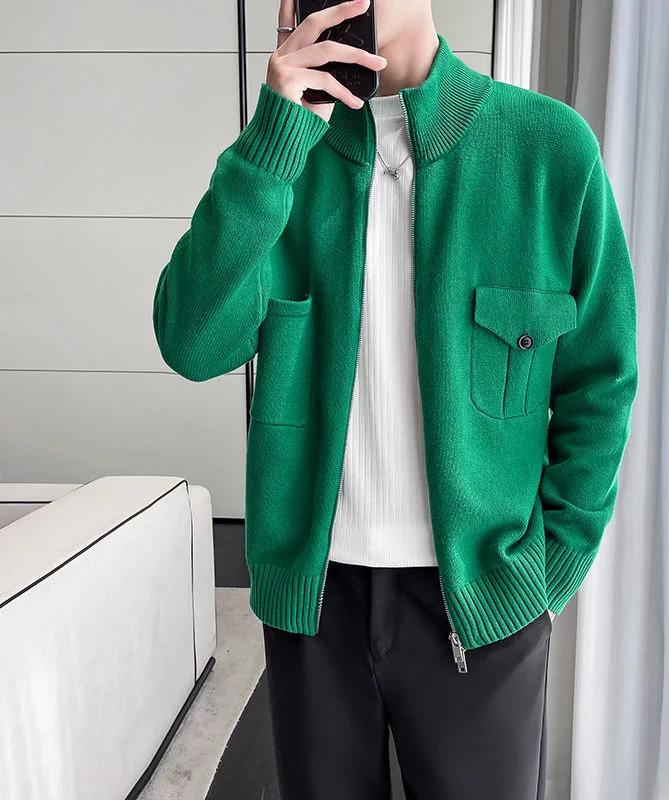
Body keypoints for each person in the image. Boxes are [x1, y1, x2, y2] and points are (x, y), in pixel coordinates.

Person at [152, 0, 639, 796]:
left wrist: (548, 571)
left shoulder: (547, 149)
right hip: (315, 605)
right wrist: (272, 142)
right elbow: (192, 342)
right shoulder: (283, 159)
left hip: (483, 602)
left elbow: (601, 382)